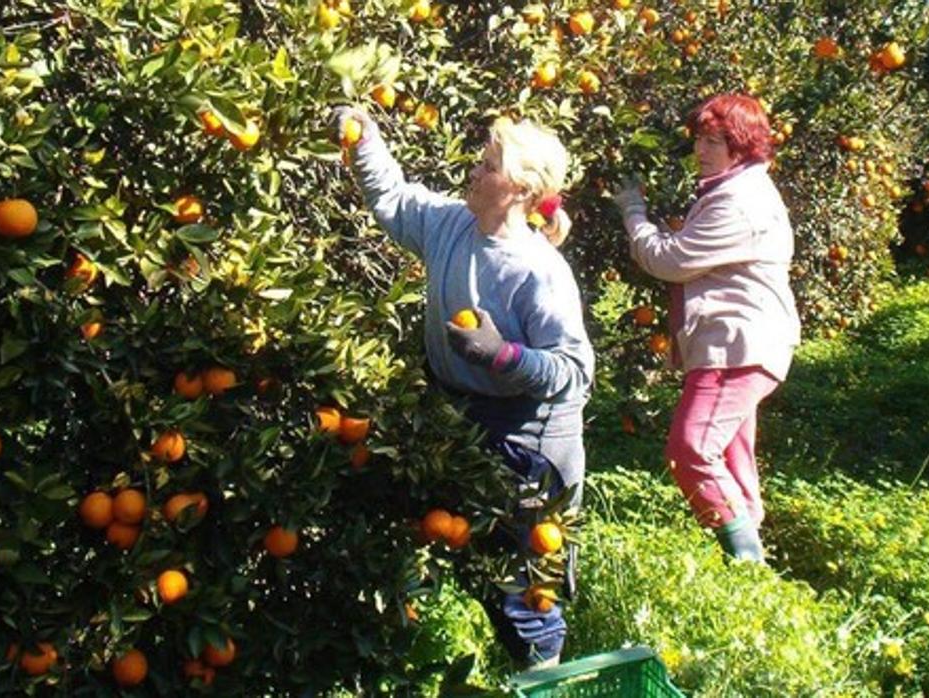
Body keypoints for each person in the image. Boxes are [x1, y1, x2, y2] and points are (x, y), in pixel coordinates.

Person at [334, 106, 594, 668]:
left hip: (528, 441)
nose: (473, 174)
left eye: (487, 166)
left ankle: (543, 674)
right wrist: (365, 139)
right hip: (459, 417)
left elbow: (574, 372)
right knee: (467, 555)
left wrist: (505, 356)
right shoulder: (451, 225)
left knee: (522, 587)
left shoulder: (538, 270)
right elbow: (395, 200)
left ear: (520, 189)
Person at [612, 94, 800, 562]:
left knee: (691, 450)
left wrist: (632, 209)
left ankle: (744, 560)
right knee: (732, 457)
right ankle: (750, 574)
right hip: (742, 344)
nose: (701, 150)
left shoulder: (738, 203)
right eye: (699, 138)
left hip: (737, 345)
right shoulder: (729, 192)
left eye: (714, 141)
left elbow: (669, 260)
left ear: (743, 147)